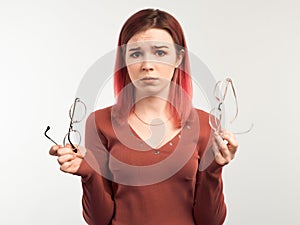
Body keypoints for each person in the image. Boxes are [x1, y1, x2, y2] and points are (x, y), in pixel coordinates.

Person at [49, 8, 238, 225]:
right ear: (124, 60)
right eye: (136, 54)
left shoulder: (205, 125)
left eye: (160, 53)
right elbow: (99, 220)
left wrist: (214, 169)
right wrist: (88, 173)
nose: (147, 66)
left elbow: (210, 222)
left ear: (178, 58)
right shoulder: (99, 123)